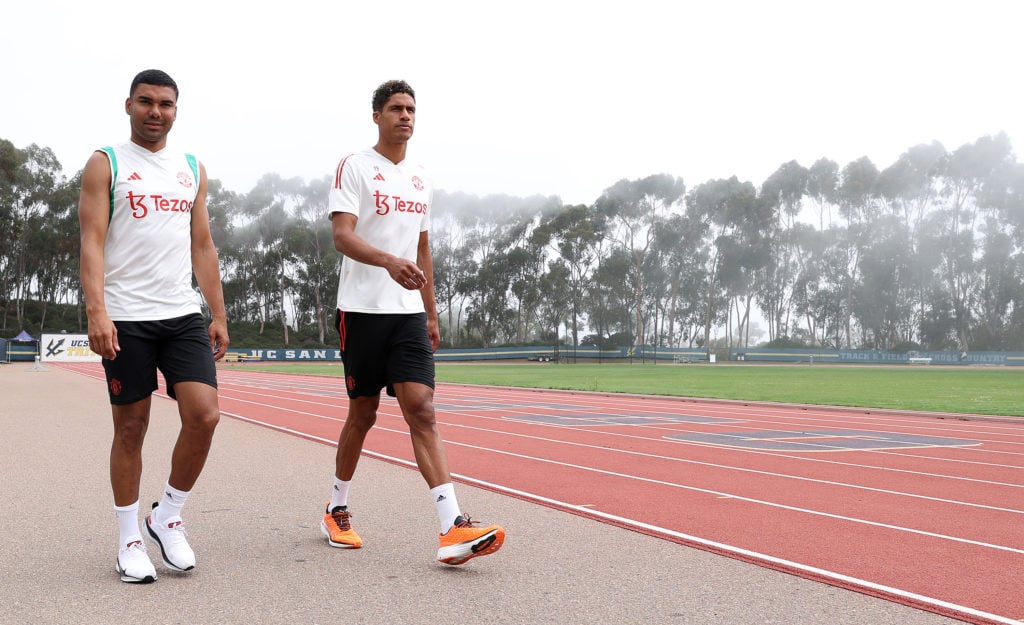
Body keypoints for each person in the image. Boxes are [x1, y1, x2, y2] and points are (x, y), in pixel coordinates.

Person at [322, 79, 504, 565]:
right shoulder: (354, 167)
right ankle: (336, 507)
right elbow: (342, 235)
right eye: (396, 109)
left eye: (411, 109)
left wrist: (430, 310)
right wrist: (387, 262)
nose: (406, 116)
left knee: (421, 409)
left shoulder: (422, 177)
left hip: (406, 316)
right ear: (377, 116)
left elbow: (422, 249)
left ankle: (452, 526)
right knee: (362, 415)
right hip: (361, 311)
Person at [78, 69, 229, 583]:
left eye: (165, 104)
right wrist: (97, 311)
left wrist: (218, 312)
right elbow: (92, 241)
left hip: (182, 313)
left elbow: (202, 245)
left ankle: (166, 514)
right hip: (127, 317)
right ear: (128, 105)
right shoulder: (107, 163)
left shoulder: (191, 168)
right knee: (132, 428)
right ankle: (128, 540)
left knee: (204, 415)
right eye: (146, 102)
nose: (155, 112)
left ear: (176, 110)